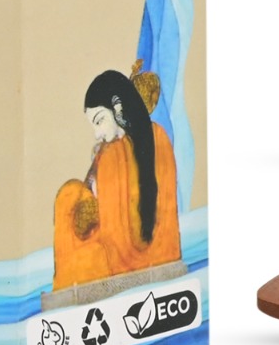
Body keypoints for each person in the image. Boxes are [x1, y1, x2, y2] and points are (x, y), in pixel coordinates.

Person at [52, 63, 183, 292]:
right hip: (158, 255)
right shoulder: (156, 137)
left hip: (126, 263)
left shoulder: (116, 154)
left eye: (100, 121)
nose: (97, 133)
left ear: (118, 107)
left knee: (68, 196)